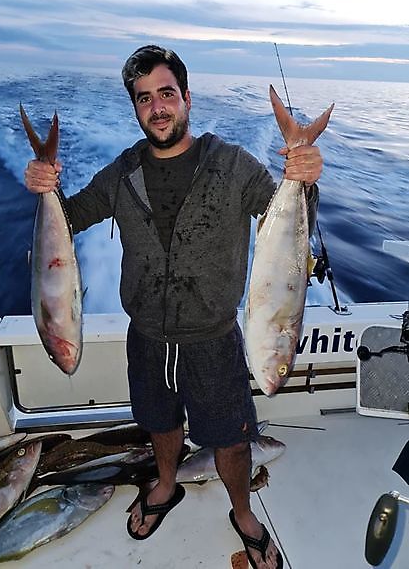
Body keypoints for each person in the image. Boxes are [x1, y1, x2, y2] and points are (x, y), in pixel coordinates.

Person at [24, 45, 323, 569]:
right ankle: (165, 484)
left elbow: (286, 224)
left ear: (186, 97)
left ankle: (243, 511)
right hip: (146, 335)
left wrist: (307, 177)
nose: (157, 107)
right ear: (136, 109)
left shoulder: (233, 166)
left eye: (166, 94)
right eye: (144, 99)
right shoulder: (122, 173)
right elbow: (67, 222)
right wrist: (45, 185)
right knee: (160, 425)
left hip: (213, 337)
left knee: (231, 439)